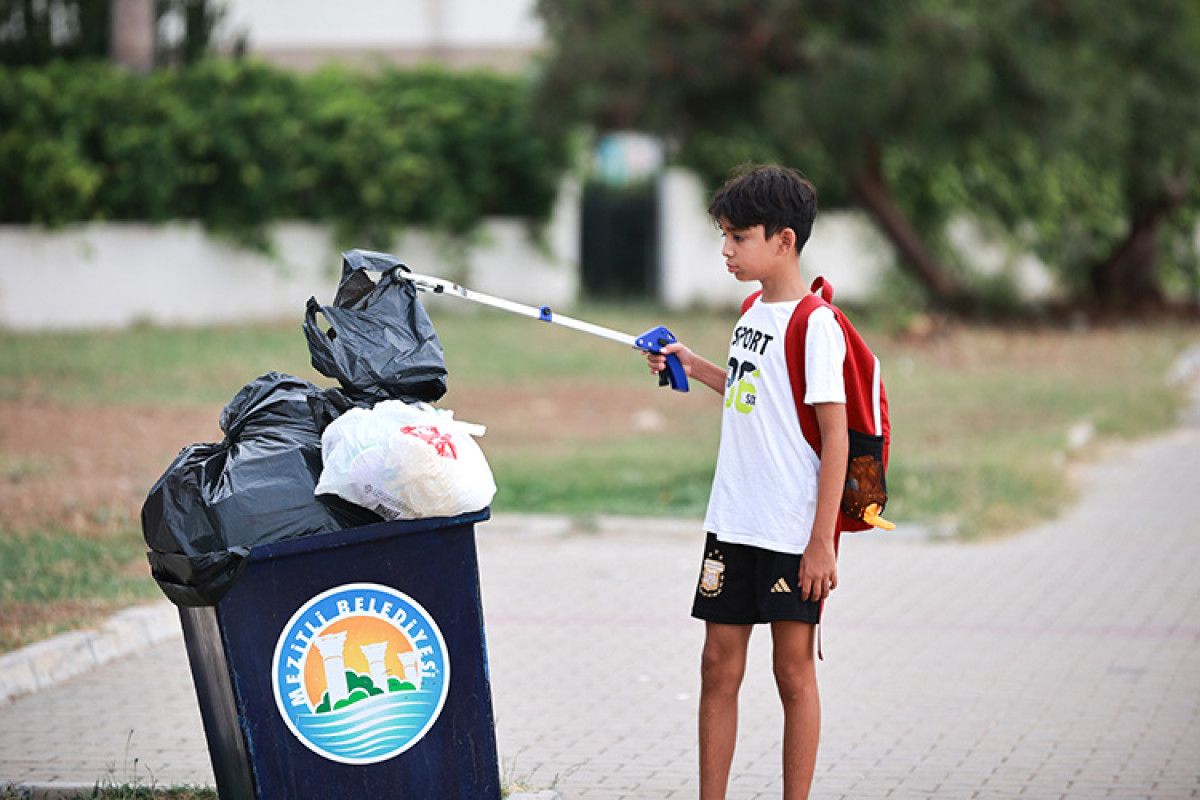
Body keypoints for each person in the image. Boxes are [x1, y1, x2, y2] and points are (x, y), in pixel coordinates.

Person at [647, 164, 849, 800]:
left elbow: (836, 437)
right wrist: (692, 362)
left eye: (738, 237)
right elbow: (748, 391)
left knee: (792, 673)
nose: (726, 250)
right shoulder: (752, 311)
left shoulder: (815, 324)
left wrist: (822, 542)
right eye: (724, 236)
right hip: (732, 520)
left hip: (792, 529)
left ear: (783, 240)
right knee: (716, 667)